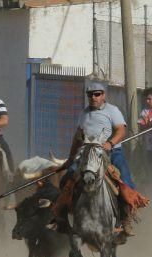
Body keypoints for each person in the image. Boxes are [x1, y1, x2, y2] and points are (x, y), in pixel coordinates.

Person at [56, 81, 142, 238]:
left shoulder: (112, 110)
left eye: (97, 94)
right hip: (87, 153)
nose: (93, 97)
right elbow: (77, 138)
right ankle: (62, 218)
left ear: (104, 95)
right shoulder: (84, 114)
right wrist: (70, 159)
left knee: (126, 180)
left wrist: (110, 143)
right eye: (90, 95)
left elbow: (121, 130)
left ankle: (125, 217)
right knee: (66, 180)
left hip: (111, 152)